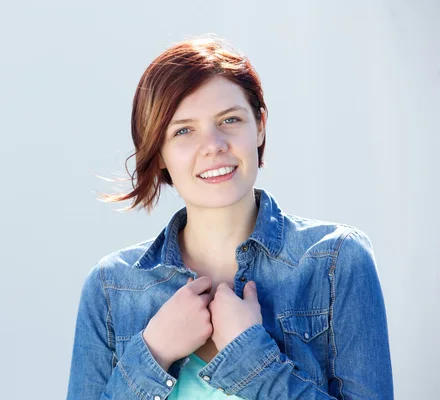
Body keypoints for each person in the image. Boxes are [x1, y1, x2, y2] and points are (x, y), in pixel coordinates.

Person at [66, 36, 393, 399]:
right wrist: (153, 353)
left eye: (230, 119)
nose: (214, 145)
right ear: (158, 152)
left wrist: (250, 356)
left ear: (260, 125)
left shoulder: (336, 261)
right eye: (183, 130)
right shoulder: (111, 287)